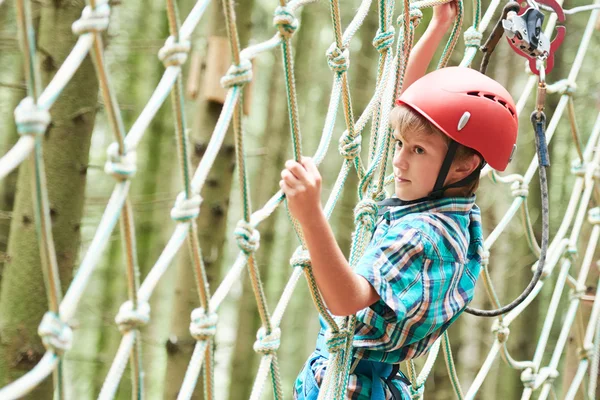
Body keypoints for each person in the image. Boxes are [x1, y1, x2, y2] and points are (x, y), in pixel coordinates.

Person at [280, 4, 519, 400]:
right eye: (398, 144)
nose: (398, 160)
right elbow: (403, 107)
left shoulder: (422, 235)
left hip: (352, 386)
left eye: (418, 151)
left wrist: (310, 216)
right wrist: (437, 29)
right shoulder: (452, 205)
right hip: (372, 377)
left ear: (463, 166)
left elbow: (344, 300)